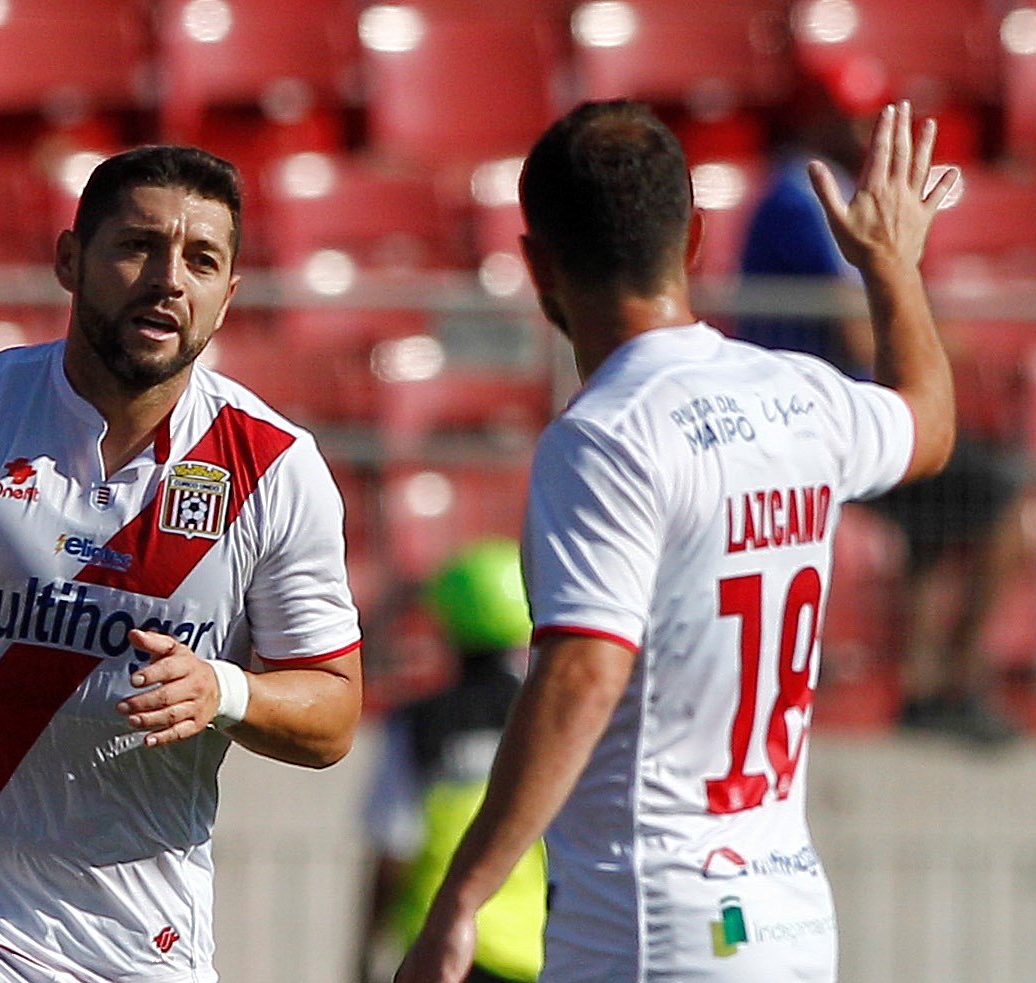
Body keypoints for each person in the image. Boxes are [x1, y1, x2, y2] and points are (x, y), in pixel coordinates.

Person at [396, 99, 958, 983]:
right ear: (694, 238)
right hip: (789, 918)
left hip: (651, 919)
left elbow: (585, 670)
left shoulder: (606, 435)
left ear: (535, 263)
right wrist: (891, 264)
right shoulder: (800, 397)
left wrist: (463, 896)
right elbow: (927, 425)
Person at [0, 145, 364, 983]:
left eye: (202, 259)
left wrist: (224, 690)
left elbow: (334, 711)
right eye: (138, 245)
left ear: (228, 295)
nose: (169, 278)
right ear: (70, 260)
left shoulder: (276, 468)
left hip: (145, 942)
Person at [735, 74, 1025, 746]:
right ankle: (950, 681)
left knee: (949, 505)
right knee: (1003, 498)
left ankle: (926, 688)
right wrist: (935, 329)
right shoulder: (806, 191)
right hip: (810, 423)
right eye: (853, 117)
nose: (866, 132)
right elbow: (864, 329)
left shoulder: (818, 188)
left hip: (837, 414)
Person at [360, 539, 546, 983]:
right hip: (541, 951)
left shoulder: (418, 723)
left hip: (444, 949)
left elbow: (394, 846)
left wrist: (365, 952)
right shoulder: (547, 719)